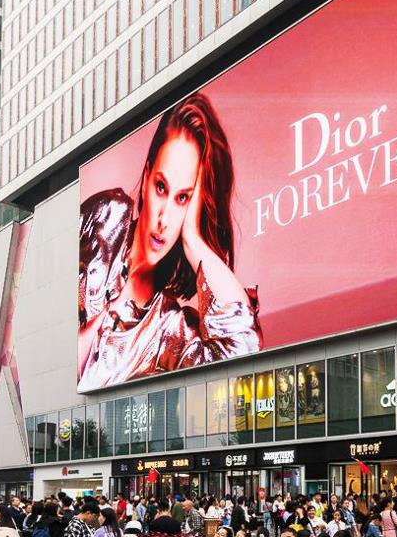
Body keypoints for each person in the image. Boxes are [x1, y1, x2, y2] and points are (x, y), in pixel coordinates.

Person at [77, 93, 263, 390]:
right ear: (147, 177)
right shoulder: (106, 216)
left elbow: (245, 348)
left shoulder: (168, 328)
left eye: (182, 198)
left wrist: (192, 239)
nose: (164, 218)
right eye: (161, 187)